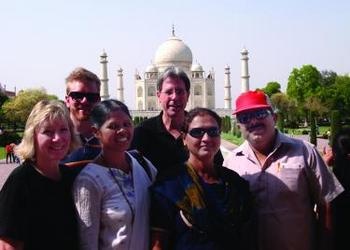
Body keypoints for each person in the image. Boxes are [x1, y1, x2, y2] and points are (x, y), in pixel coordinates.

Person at [223, 90, 344, 250]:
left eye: (260, 113)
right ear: (239, 125)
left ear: (274, 117)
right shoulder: (231, 163)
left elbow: (326, 203)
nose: (253, 121)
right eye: (245, 117)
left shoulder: (305, 152)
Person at [150, 107, 253, 250]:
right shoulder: (169, 185)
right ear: (184, 138)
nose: (206, 138)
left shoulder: (235, 183)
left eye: (213, 132)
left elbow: (247, 236)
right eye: (197, 132)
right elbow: (158, 243)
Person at [73, 99, 157, 250]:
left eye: (127, 124)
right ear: (96, 132)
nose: (122, 130)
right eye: (113, 126)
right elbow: (87, 242)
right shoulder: (89, 180)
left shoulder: (143, 165)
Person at [0, 100, 81, 250]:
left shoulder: (71, 177)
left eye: (63, 129)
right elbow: (7, 245)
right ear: (33, 136)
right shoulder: (21, 181)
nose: (58, 138)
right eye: (48, 132)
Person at [130, 66, 223, 178]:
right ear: (159, 96)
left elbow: (218, 169)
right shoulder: (143, 133)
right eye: (169, 92)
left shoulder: (202, 131)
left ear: (188, 95)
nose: (174, 97)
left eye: (179, 91)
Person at [61, 67, 101, 168]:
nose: (84, 101)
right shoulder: (57, 141)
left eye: (91, 97)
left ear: (99, 100)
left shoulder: (109, 140)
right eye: (77, 95)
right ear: (67, 100)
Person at [325, 128, 350, 250]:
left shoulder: (332, 181)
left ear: (334, 154)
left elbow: (327, 212)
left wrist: (324, 164)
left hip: (339, 239)